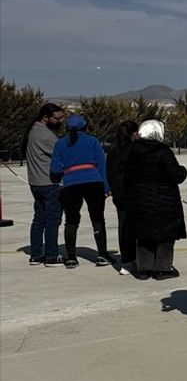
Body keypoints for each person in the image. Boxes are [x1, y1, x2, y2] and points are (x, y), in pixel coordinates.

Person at [123, 120, 187, 280]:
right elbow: (176, 175)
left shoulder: (133, 150)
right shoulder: (163, 150)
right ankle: (162, 269)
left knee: (142, 233)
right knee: (165, 234)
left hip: (139, 197)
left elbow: (126, 173)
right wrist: (183, 171)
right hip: (163, 198)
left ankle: (144, 269)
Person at [49, 114, 113, 269]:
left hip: (70, 183)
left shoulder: (60, 144)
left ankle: (71, 257)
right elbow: (102, 165)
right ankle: (102, 254)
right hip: (93, 181)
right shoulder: (93, 141)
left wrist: (59, 178)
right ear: (85, 127)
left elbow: (55, 169)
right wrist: (106, 187)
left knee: (71, 220)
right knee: (97, 218)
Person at [23, 103, 65, 266]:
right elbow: (61, 153)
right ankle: (51, 256)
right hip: (48, 183)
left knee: (39, 219)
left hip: (35, 182)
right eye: (57, 118)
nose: (60, 121)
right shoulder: (46, 136)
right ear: (45, 117)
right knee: (52, 220)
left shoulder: (33, 130)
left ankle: (36, 254)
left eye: (62, 117)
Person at [107, 120, 140, 276]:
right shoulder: (133, 149)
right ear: (133, 134)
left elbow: (109, 172)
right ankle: (137, 258)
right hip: (131, 193)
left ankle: (127, 260)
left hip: (118, 193)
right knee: (136, 226)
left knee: (123, 224)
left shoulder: (113, 150)